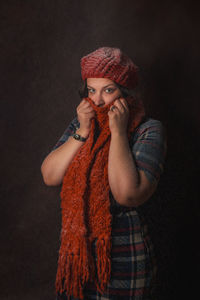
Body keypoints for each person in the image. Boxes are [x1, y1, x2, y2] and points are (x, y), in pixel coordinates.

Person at [41, 47, 167, 300]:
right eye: (91, 90)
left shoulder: (149, 130)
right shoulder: (82, 124)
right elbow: (50, 175)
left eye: (108, 90)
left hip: (124, 258)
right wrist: (83, 133)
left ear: (125, 92)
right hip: (79, 258)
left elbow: (127, 194)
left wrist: (118, 133)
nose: (97, 101)